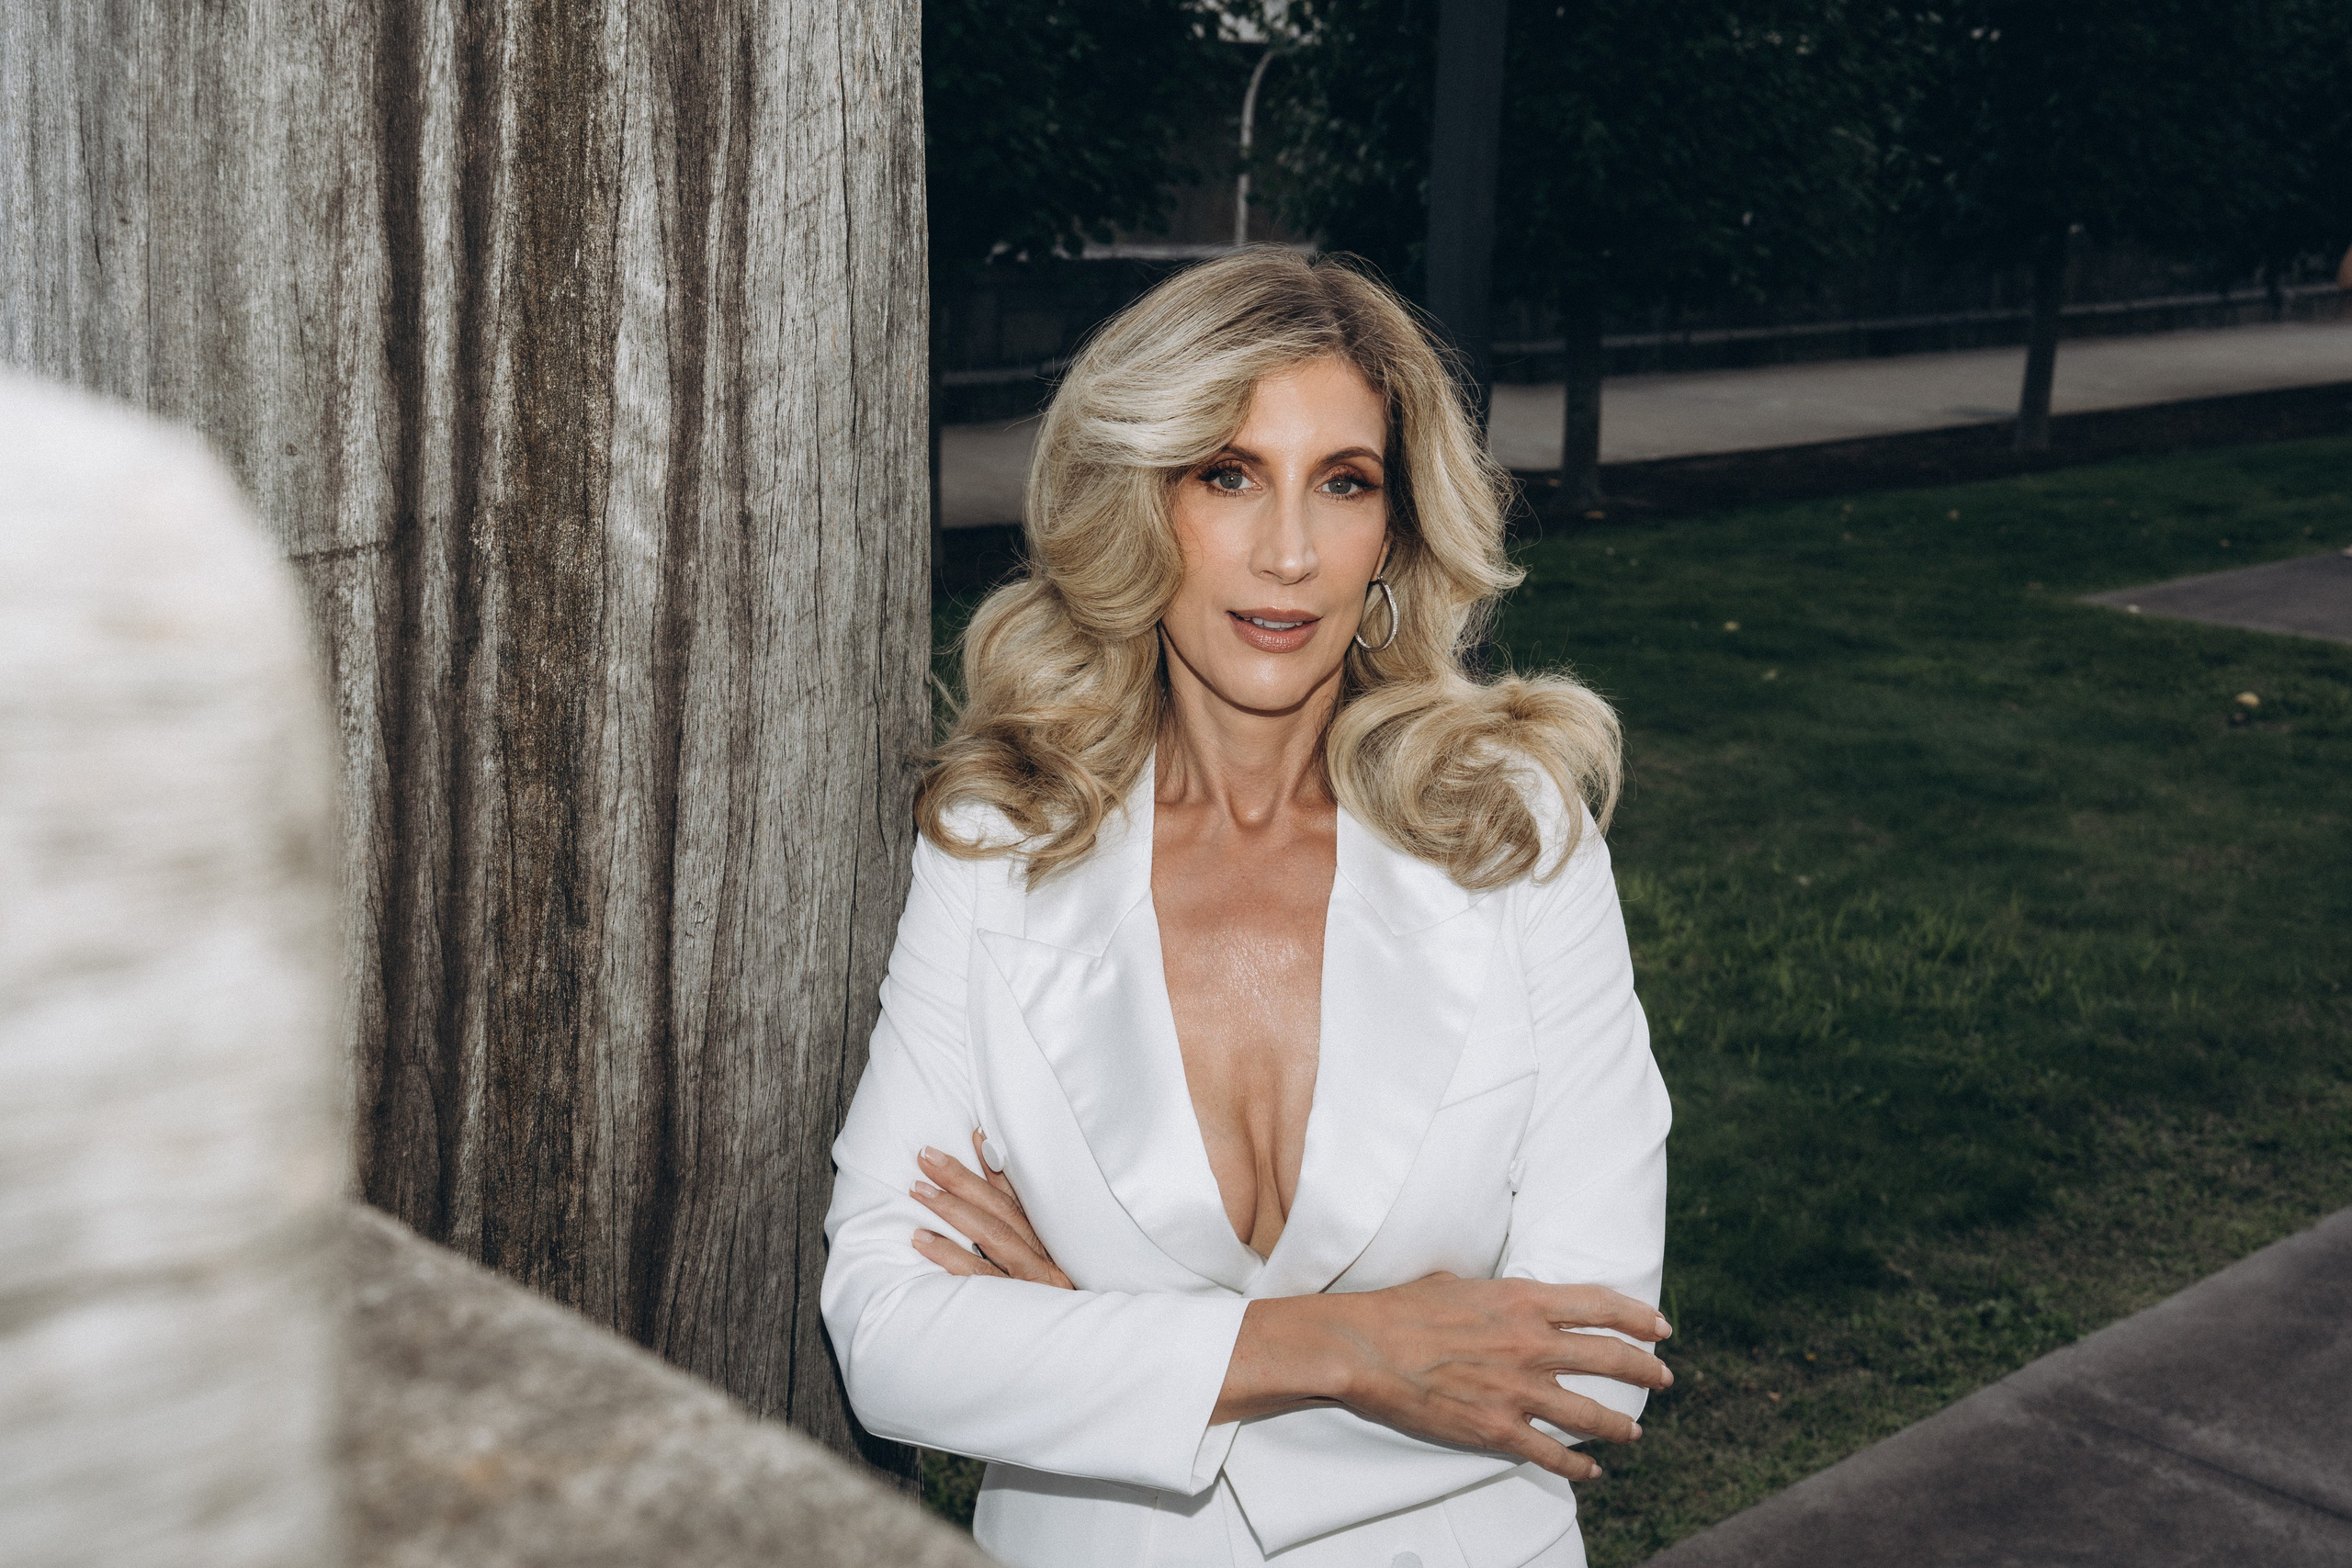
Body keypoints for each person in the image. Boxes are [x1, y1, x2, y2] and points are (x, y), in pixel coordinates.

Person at [821, 249, 1672, 1568]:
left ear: (1393, 534)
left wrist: (1104, 1342)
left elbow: (1587, 1368)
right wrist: (1351, 1349)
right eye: (1228, 474)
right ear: (1138, 503)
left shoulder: (1516, 833)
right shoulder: (998, 843)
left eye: (1344, 482)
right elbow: (885, 1334)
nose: (1288, 552)